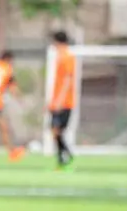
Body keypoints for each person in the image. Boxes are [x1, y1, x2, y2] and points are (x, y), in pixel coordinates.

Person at [49, 31, 76, 170]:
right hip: (58, 101)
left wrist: (60, 100)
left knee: (56, 129)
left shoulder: (67, 57)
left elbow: (67, 79)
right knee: (55, 130)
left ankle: (64, 156)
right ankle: (65, 156)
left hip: (65, 102)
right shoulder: (60, 57)